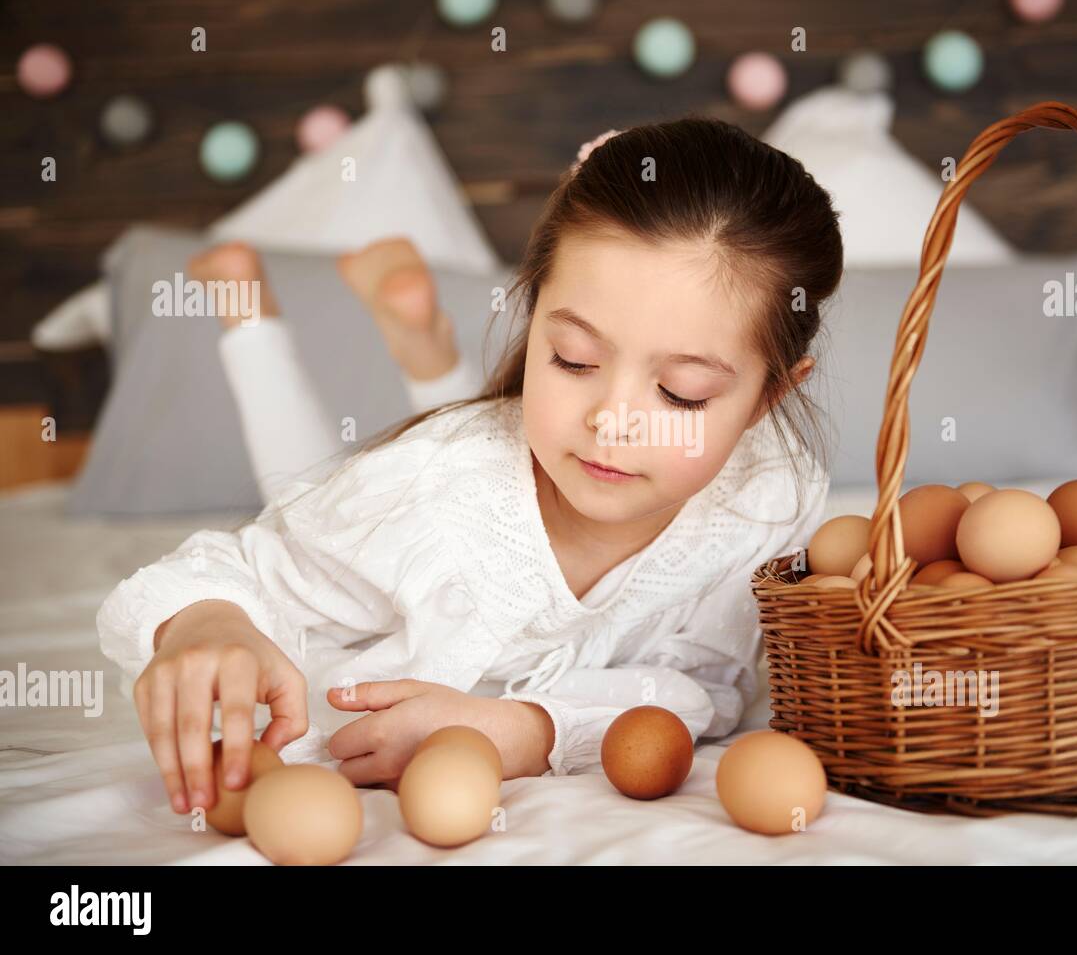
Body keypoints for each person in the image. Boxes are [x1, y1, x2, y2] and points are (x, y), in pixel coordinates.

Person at [96, 116, 843, 819]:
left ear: (767, 396)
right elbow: (224, 572)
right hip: (405, 519)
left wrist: (523, 729)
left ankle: (408, 343)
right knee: (296, 483)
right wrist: (207, 620)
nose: (612, 421)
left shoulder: (770, 500)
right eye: (573, 359)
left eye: (682, 393)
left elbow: (713, 688)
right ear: (532, 313)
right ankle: (254, 318)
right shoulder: (430, 487)